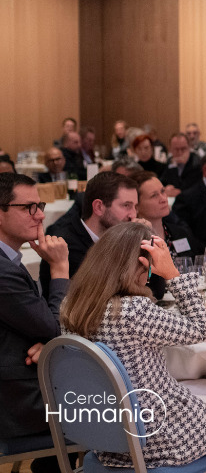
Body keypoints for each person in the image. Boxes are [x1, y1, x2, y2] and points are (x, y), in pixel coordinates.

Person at [59, 223, 206, 469]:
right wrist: (172, 273)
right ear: (140, 266)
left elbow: (128, 325)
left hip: (106, 436)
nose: (150, 277)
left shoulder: (71, 306)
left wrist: (179, 313)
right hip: (159, 439)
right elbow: (202, 329)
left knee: (205, 391)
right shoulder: (134, 310)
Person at [0, 173, 72, 473]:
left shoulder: (8, 262)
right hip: (19, 404)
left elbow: (45, 325)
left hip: (21, 386)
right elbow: (55, 326)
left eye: (39, 205)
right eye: (28, 207)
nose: (41, 215)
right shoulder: (3, 272)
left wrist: (49, 341)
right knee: (125, 410)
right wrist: (59, 268)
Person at [39, 171, 139, 296]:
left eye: (135, 207)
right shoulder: (67, 247)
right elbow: (113, 294)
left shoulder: (114, 238)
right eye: (126, 205)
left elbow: (155, 289)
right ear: (98, 207)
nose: (133, 215)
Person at [129, 170, 198, 299]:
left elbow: (195, 269)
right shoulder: (135, 243)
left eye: (163, 191)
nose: (163, 199)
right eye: (154, 196)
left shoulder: (179, 232)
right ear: (137, 206)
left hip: (184, 298)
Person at [160, 132, 203, 196]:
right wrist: (165, 189)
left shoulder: (196, 163)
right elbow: (162, 181)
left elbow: (187, 188)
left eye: (183, 149)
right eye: (176, 149)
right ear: (170, 149)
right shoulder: (171, 161)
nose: (180, 153)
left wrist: (179, 191)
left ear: (189, 147)